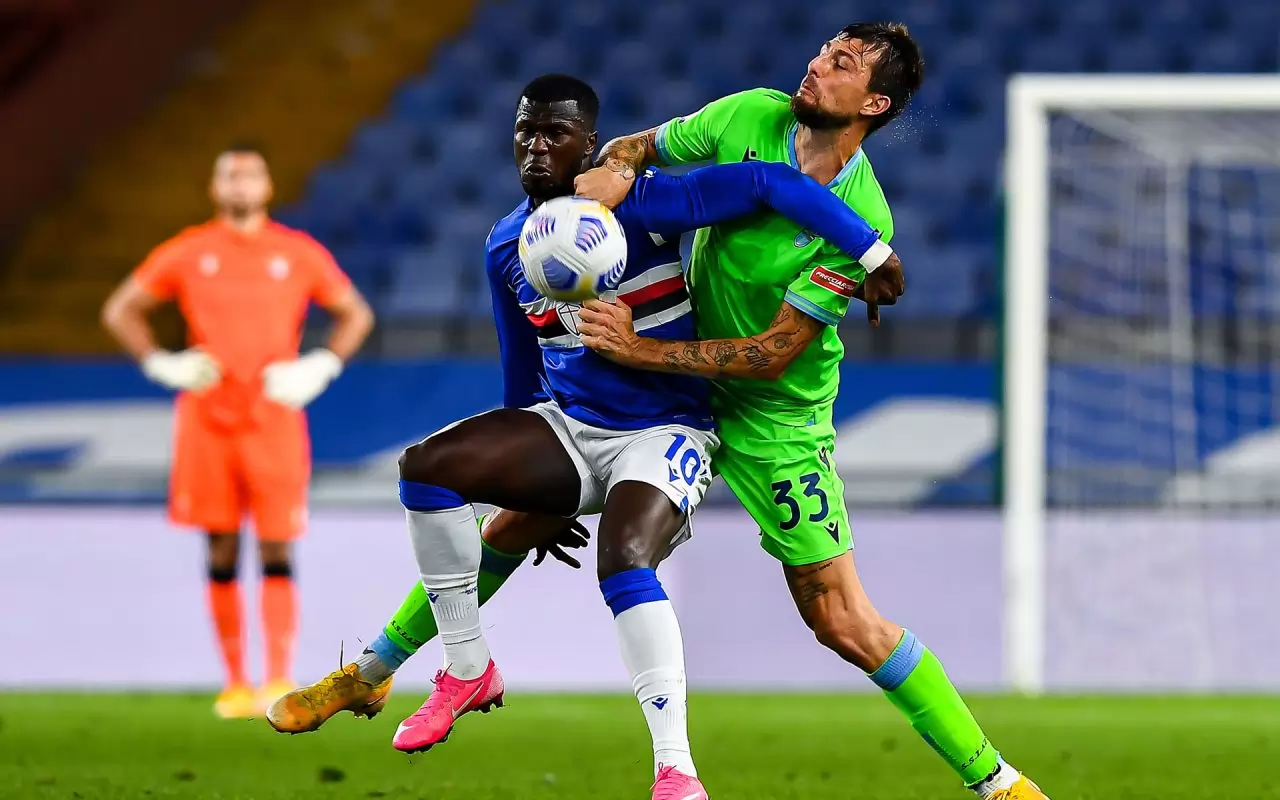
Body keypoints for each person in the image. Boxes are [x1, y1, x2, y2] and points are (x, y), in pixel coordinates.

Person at [273, 73, 898, 800]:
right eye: (525, 132)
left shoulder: (644, 203)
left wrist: (871, 251)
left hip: (667, 430)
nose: (537, 147)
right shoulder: (506, 244)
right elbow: (522, 374)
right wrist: (530, 481)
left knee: (623, 559)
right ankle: (466, 667)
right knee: (426, 469)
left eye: (556, 134)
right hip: (571, 431)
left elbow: (767, 182)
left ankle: (675, 770)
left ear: (589, 145)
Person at [572, 22, 1049, 800]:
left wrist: (636, 349)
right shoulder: (747, 114)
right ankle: (384, 664)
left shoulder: (863, 217)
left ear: (875, 103)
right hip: (675, 391)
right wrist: (617, 171)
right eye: (823, 51)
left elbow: (772, 353)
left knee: (842, 620)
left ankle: (1000, 783)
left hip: (775, 420)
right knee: (525, 501)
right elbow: (637, 146)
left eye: (841, 63)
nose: (816, 65)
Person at [100, 145, 375, 718]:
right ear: (214, 186)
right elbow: (121, 309)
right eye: (230, 174)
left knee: (277, 543)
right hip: (207, 420)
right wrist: (160, 362)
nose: (240, 183)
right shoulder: (189, 250)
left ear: (268, 186)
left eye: (250, 174)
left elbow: (356, 313)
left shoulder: (297, 253)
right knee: (220, 544)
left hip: (274, 418)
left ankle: (277, 677)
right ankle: (233, 683)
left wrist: (321, 365)